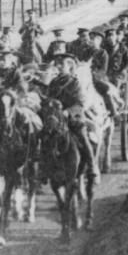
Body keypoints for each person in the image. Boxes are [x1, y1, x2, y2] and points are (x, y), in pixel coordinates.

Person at [45, 41, 100, 183]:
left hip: (72, 117)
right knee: (44, 136)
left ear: (69, 67)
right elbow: (48, 97)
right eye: (57, 64)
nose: (58, 67)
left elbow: (80, 102)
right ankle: (43, 169)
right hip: (56, 118)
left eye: (61, 64)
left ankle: (92, 165)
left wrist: (67, 112)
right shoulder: (53, 82)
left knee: (82, 135)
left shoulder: (74, 83)